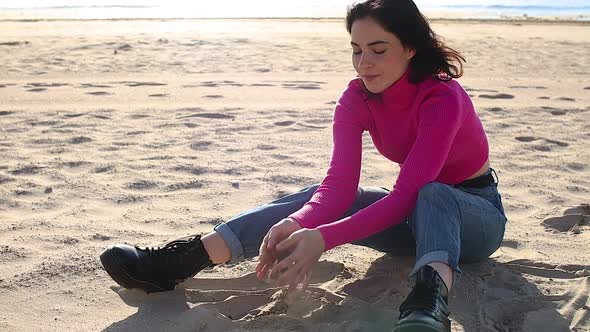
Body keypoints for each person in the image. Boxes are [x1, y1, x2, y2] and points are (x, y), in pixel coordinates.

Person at [99, 1, 507, 331]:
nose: (364, 62)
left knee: (432, 194)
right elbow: (338, 187)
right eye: (356, 49)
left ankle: (426, 308)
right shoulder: (355, 99)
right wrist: (299, 223)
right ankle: (183, 260)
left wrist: (323, 239)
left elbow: (405, 196)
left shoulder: (443, 98)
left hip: (475, 218)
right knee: (315, 200)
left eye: (378, 50)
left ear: (411, 48)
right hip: (416, 217)